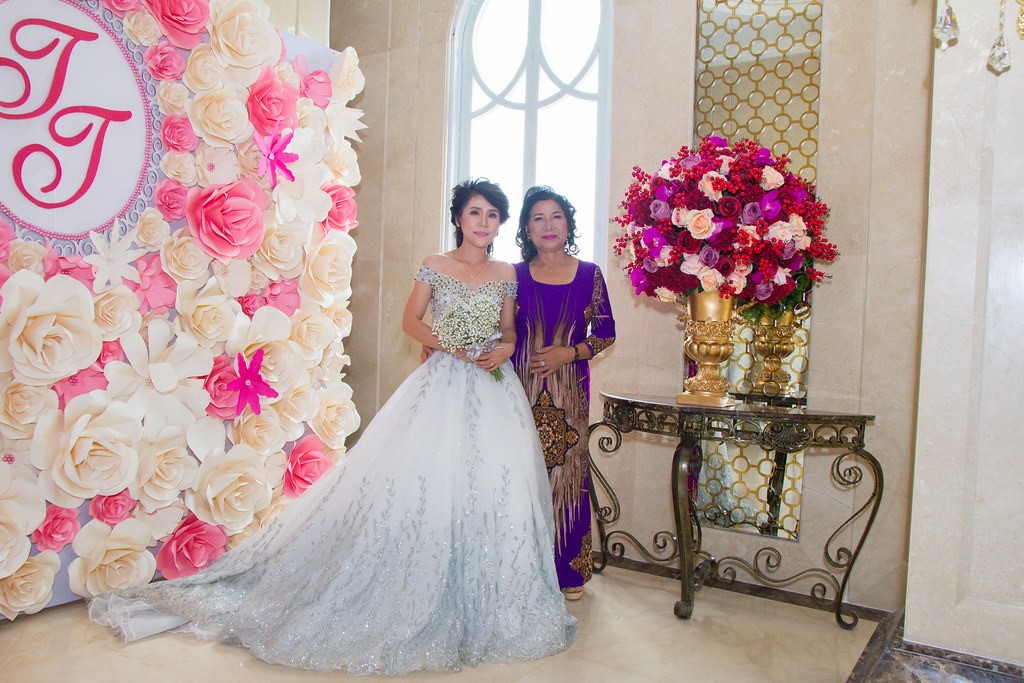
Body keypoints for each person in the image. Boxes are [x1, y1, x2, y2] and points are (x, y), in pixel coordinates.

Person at [88, 179, 576, 675]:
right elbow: (411, 321)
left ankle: (483, 590)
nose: (483, 223)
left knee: (492, 484)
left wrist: (504, 347)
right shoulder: (435, 265)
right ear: (458, 218)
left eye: (493, 215)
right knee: (426, 478)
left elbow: (510, 327)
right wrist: (452, 344)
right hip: (445, 381)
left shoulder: (504, 273)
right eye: (475, 213)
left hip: (493, 389)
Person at [511, 186, 616, 601]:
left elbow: (606, 334)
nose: (548, 225)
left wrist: (568, 353)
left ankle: (567, 572)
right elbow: (494, 328)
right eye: (538, 218)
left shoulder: (589, 274)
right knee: (519, 475)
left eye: (556, 216)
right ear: (526, 229)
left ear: (568, 223)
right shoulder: (513, 276)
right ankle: (521, 567)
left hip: (570, 394)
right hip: (517, 393)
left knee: (568, 478)